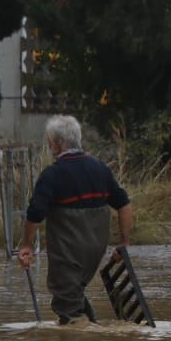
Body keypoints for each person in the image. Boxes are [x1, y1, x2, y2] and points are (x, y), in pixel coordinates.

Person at [16, 115, 133, 324]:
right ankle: (94, 332)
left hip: (68, 251)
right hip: (95, 251)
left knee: (66, 303)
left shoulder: (52, 175)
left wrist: (26, 245)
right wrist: (124, 242)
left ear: (56, 144)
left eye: (49, 142)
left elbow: (35, 214)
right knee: (73, 294)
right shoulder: (100, 168)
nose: (49, 146)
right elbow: (124, 205)